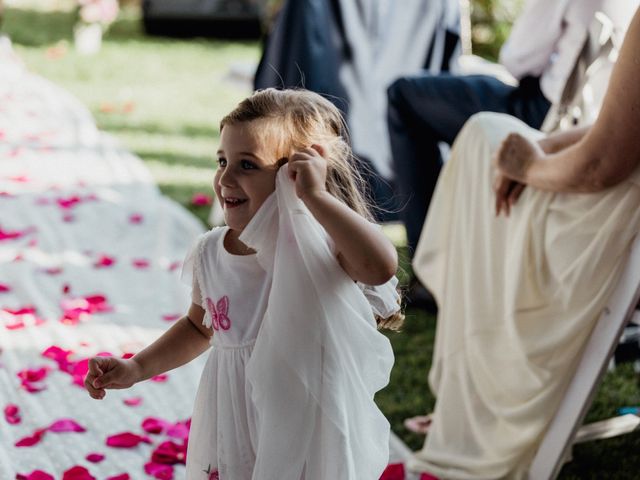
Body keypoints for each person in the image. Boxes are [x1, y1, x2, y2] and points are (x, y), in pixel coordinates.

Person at [83, 89, 403, 479]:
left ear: (296, 173)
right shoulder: (211, 252)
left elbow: (379, 266)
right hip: (239, 419)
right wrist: (136, 367)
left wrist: (316, 196)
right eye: (222, 161)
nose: (225, 178)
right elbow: (198, 328)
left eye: (247, 165)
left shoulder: (324, 247)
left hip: (309, 420)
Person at [408, 5, 640, 478]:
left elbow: (602, 165)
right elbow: (620, 130)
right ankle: (467, 390)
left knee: (480, 137)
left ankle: (478, 397)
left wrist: (527, 168)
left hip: (618, 219)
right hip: (618, 191)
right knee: (493, 135)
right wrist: (541, 148)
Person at [388, 0, 637, 309]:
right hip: (596, 120)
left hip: (547, 113)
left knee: (403, 96)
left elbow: (517, 59)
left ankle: (429, 274)